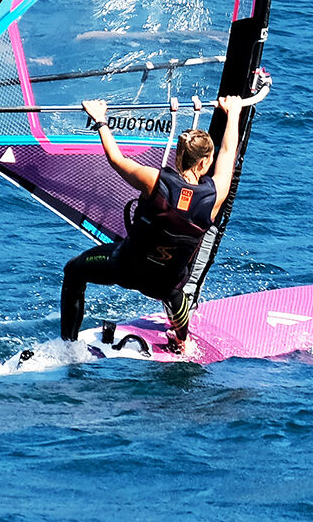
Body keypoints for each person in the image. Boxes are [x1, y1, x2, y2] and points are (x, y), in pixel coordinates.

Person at [59, 93, 246, 353]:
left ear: (179, 156)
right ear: (205, 162)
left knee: (73, 271)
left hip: (124, 268)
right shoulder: (215, 196)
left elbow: (117, 160)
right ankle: (182, 340)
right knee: (176, 295)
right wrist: (234, 113)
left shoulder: (154, 181)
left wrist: (100, 120)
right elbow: (228, 152)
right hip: (165, 286)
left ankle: (68, 346)